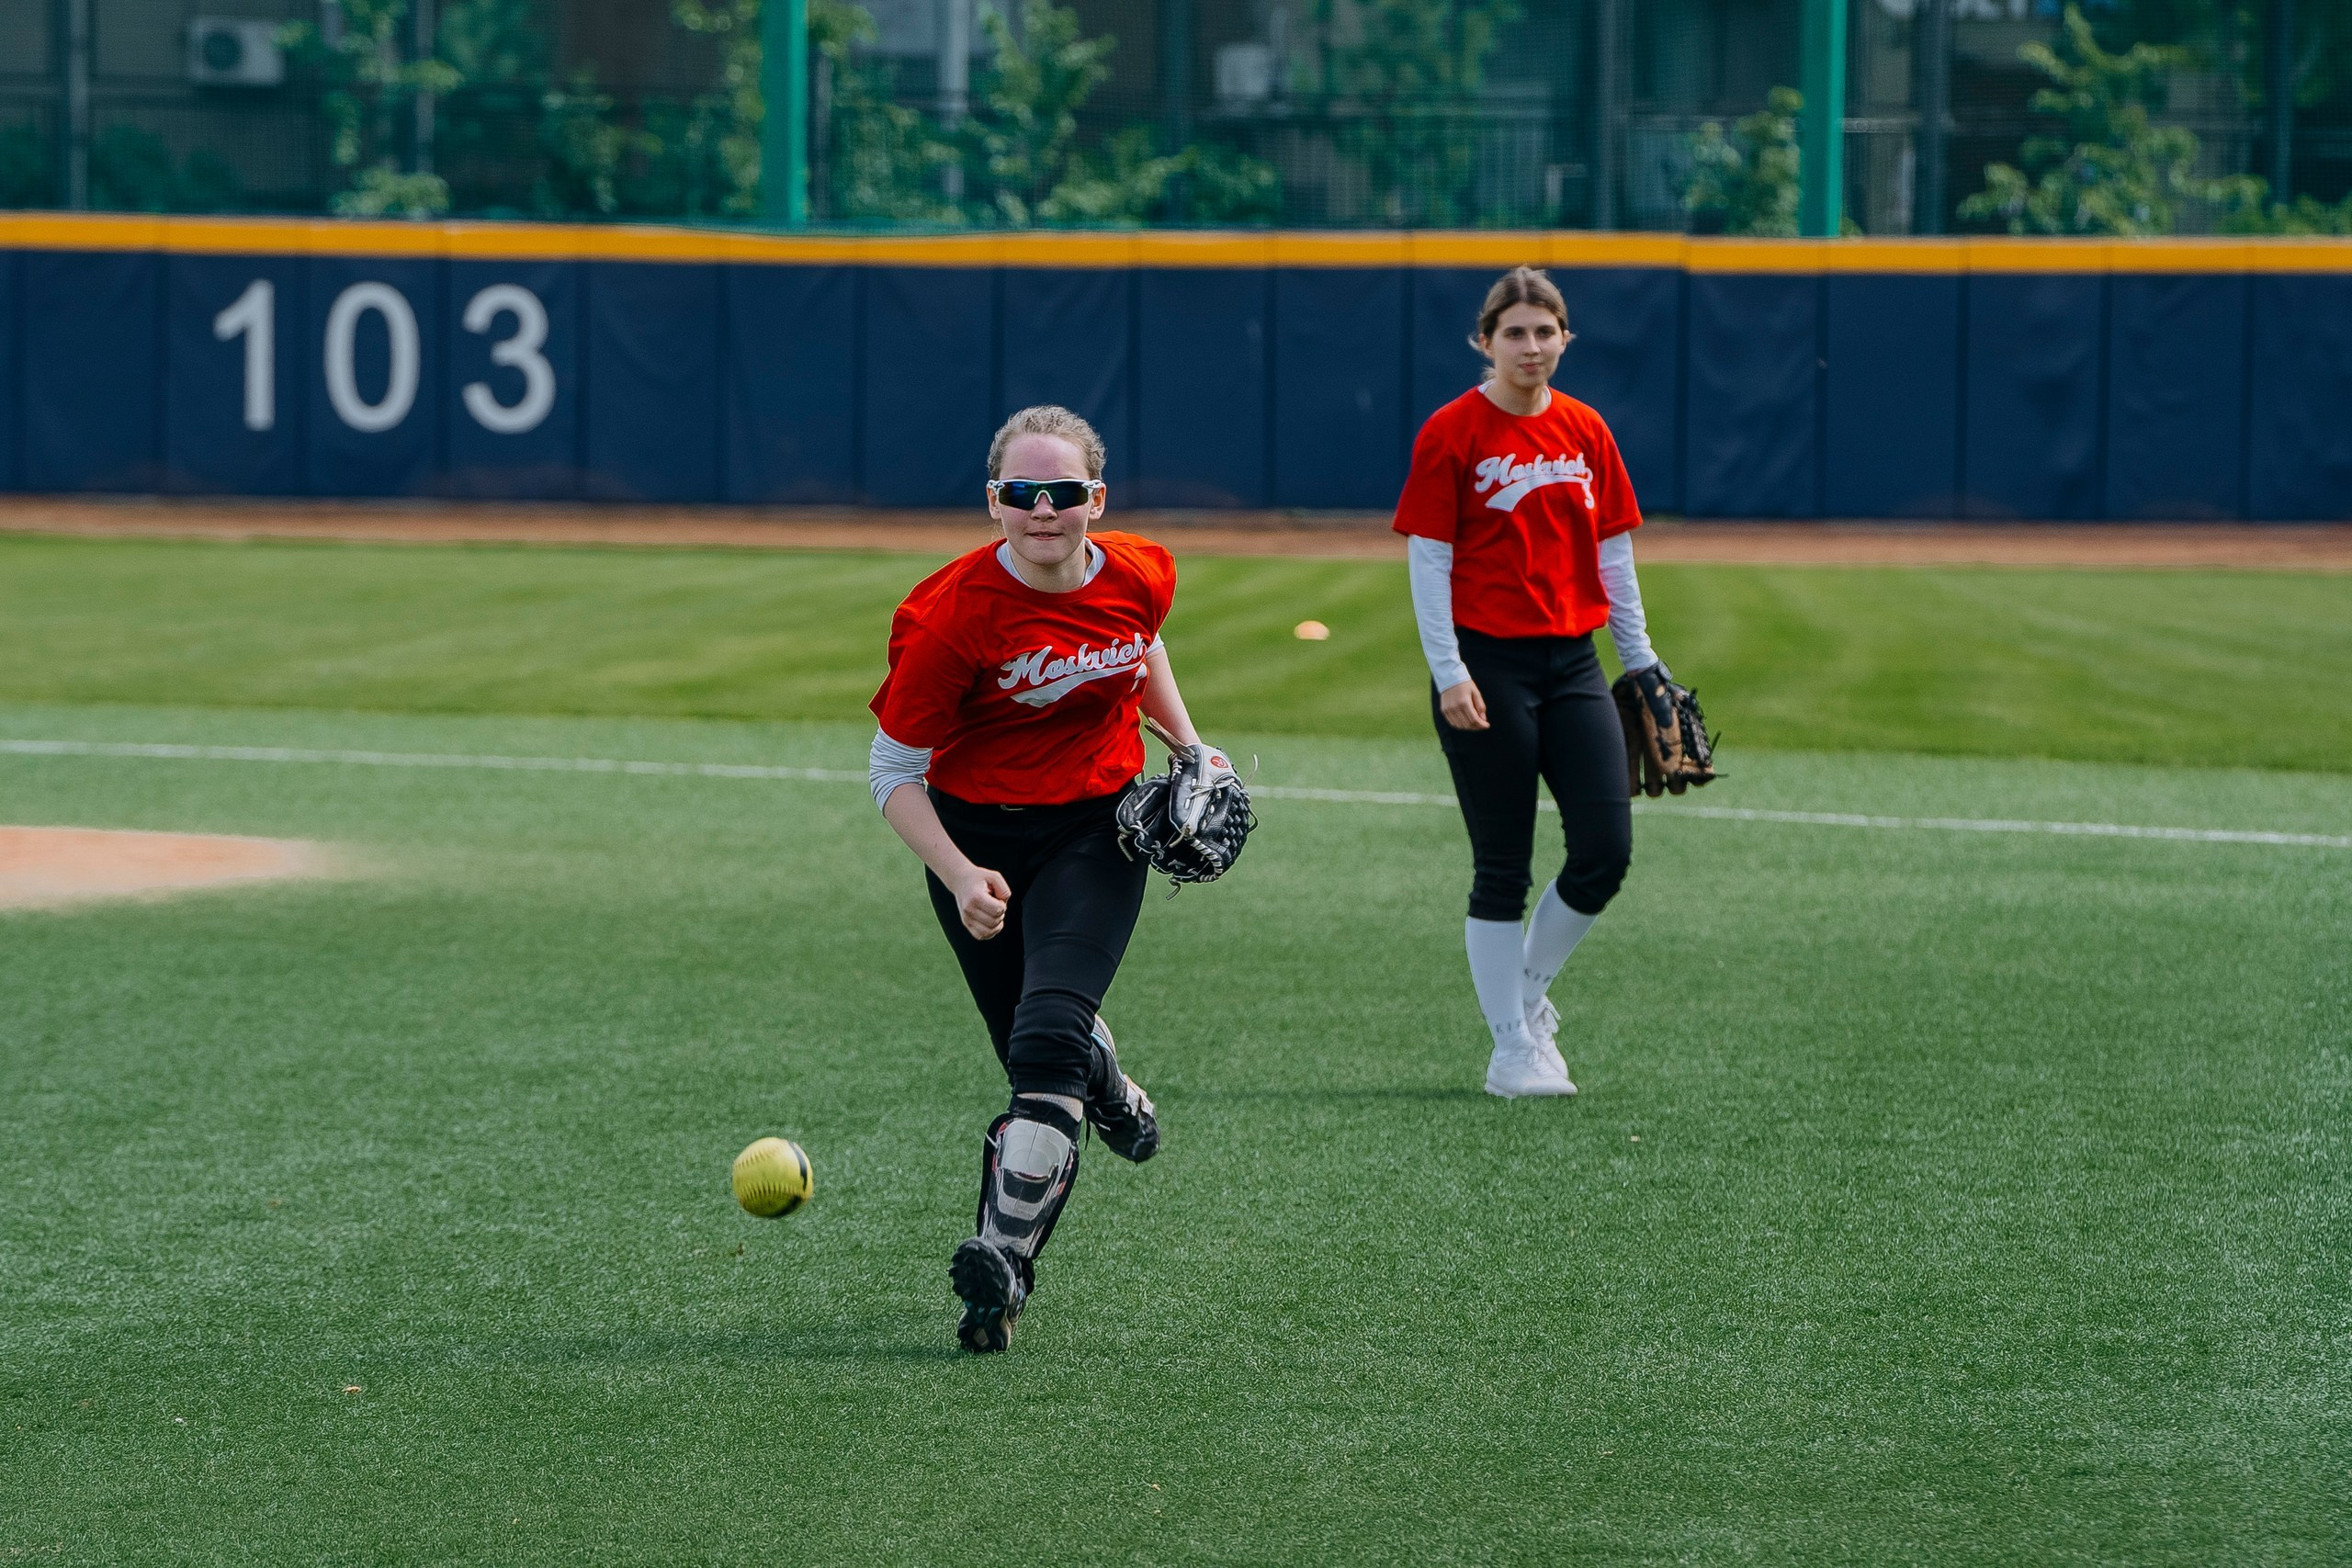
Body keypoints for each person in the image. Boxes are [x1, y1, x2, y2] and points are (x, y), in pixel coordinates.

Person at [867, 403, 1233, 1353]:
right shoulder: (948, 618)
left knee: (1041, 1050)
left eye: (1062, 493)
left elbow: (1138, 642)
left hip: (1094, 831)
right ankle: (1105, 1077)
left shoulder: (1143, 570)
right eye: (1023, 494)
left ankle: (1001, 1269)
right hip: (973, 838)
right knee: (1047, 1051)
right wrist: (956, 874)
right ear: (994, 503)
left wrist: (1191, 748)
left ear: (1094, 500)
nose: (1044, 509)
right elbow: (891, 772)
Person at [1393, 265, 1672, 1100]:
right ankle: (1511, 1047)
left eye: (1545, 330)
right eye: (1514, 331)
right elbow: (1430, 560)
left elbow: (1614, 556)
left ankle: (1527, 991)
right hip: (1487, 665)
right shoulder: (1453, 432)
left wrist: (1643, 659)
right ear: (1485, 341)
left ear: (1565, 340)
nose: (1531, 345)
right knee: (1502, 865)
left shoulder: (1586, 430)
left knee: (1604, 849)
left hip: (1574, 662)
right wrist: (1449, 674)